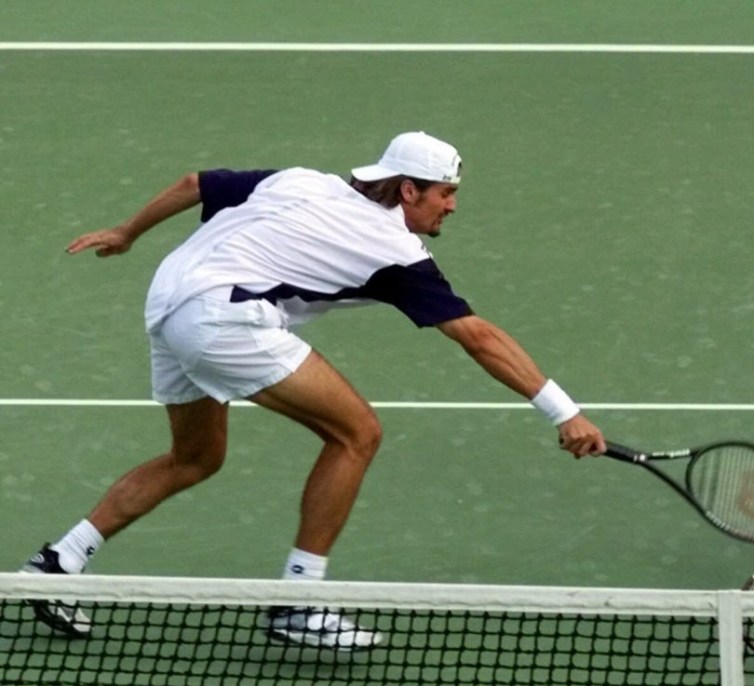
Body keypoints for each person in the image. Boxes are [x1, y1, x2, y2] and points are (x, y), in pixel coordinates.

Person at [20, 131, 608, 649]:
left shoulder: (301, 181)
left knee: (196, 457)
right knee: (357, 434)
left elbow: (194, 182)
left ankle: (58, 560)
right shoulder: (396, 252)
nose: (451, 206)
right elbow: (478, 337)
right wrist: (565, 413)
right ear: (408, 190)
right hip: (224, 318)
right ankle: (299, 600)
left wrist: (127, 232)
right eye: (444, 193)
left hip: (170, 300)